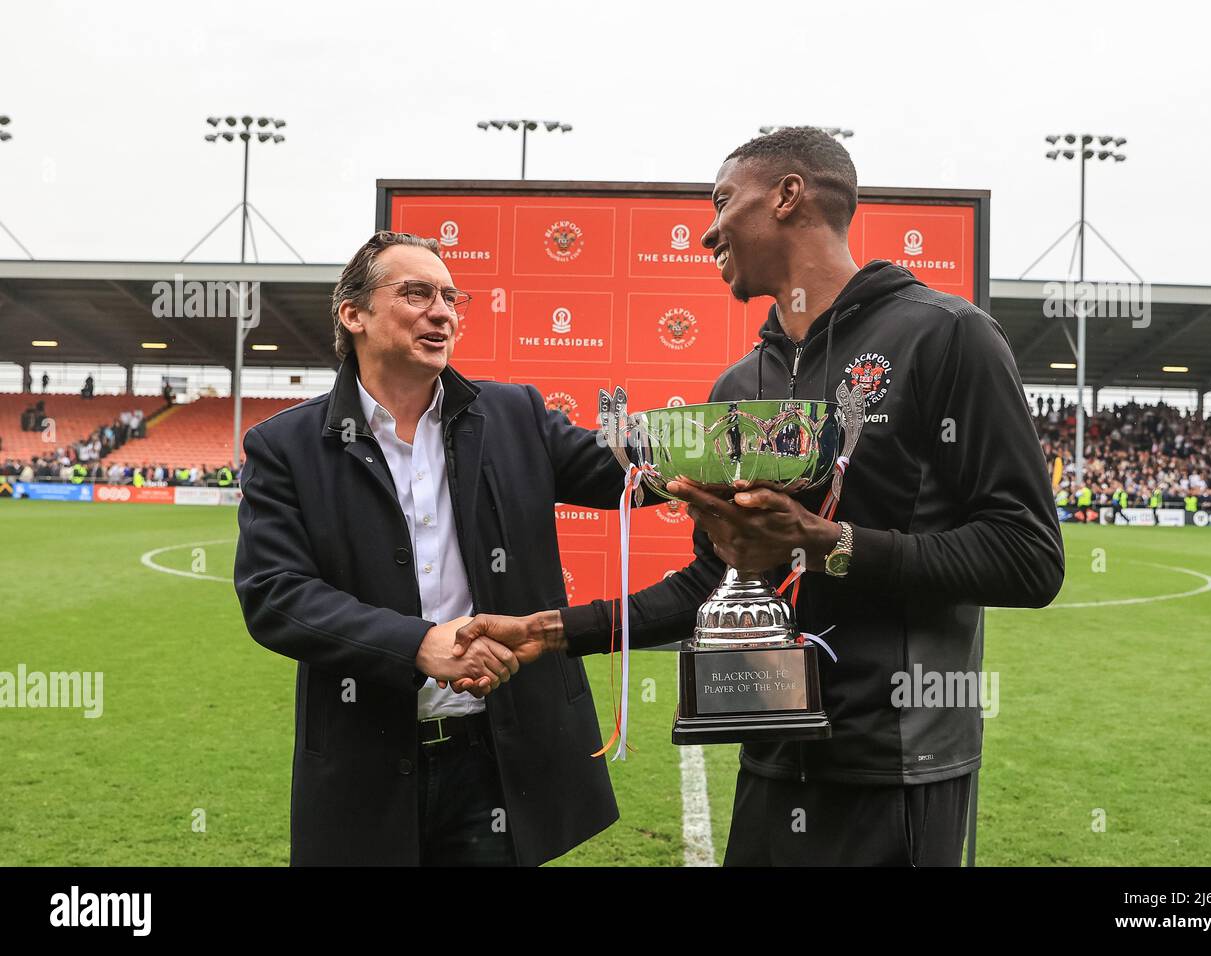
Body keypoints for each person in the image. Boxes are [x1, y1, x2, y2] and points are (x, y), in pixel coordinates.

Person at [455, 127, 1064, 866]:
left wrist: (827, 545)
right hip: (771, 757)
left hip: (900, 769)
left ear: (787, 196)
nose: (706, 231)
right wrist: (552, 632)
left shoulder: (949, 336)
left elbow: (1030, 558)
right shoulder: (740, 387)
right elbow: (714, 585)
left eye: (721, 202)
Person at [234, 230, 627, 866]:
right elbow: (274, 596)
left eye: (451, 296)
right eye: (417, 293)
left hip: (498, 760)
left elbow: (625, 474)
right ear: (352, 313)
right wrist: (418, 645)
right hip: (367, 762)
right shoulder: (284, 446)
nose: (442, 310)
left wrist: (731, 440)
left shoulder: (516, 415)